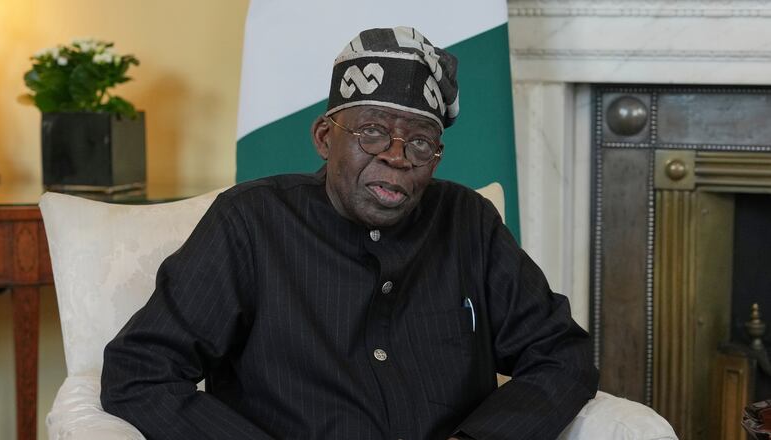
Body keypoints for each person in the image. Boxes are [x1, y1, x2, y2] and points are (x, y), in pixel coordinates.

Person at [101, 26, 599, 440]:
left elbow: (561, 354)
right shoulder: (250, 223)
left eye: (421, 142)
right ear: (324, 137)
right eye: (372, 132)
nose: (397, 156)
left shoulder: (469, 221)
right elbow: (141, 371)